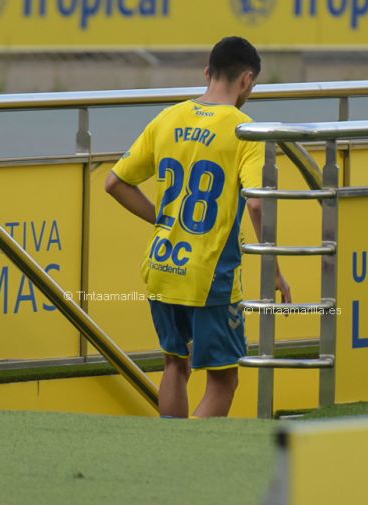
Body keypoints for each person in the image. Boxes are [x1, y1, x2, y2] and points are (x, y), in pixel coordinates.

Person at [105, 36, 292, 418]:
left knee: (175, 365)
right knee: (223, 381)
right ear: (247, 80)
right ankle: (188, 450)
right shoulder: (245, 130)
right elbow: (257, 202)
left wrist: (163, 219)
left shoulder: (168, 118)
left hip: (163, 263)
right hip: (210, 274)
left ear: (207, 73)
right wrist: (274, 268)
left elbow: (114, 183)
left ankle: (170, 447)